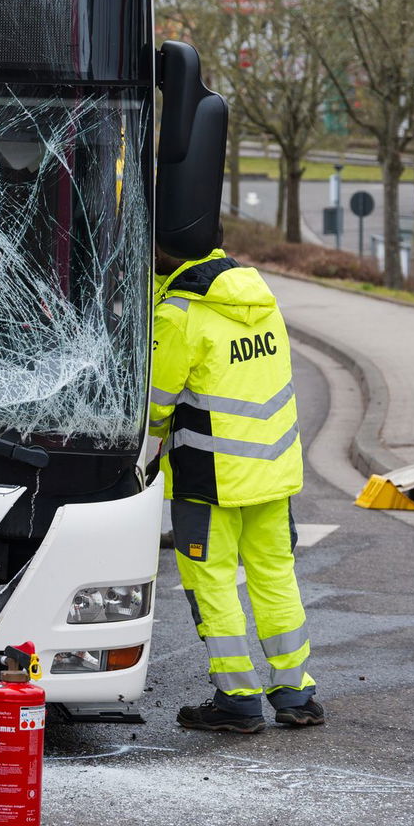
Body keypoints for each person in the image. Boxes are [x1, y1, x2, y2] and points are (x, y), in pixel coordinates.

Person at [151, 240, 324, 733]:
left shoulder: (179, 314)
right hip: (272, 473)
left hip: (210, 481)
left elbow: (153, 406)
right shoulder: (261, 300)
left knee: (212, 583)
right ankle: (296, 693)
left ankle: (237, 699)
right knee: (275, 578)